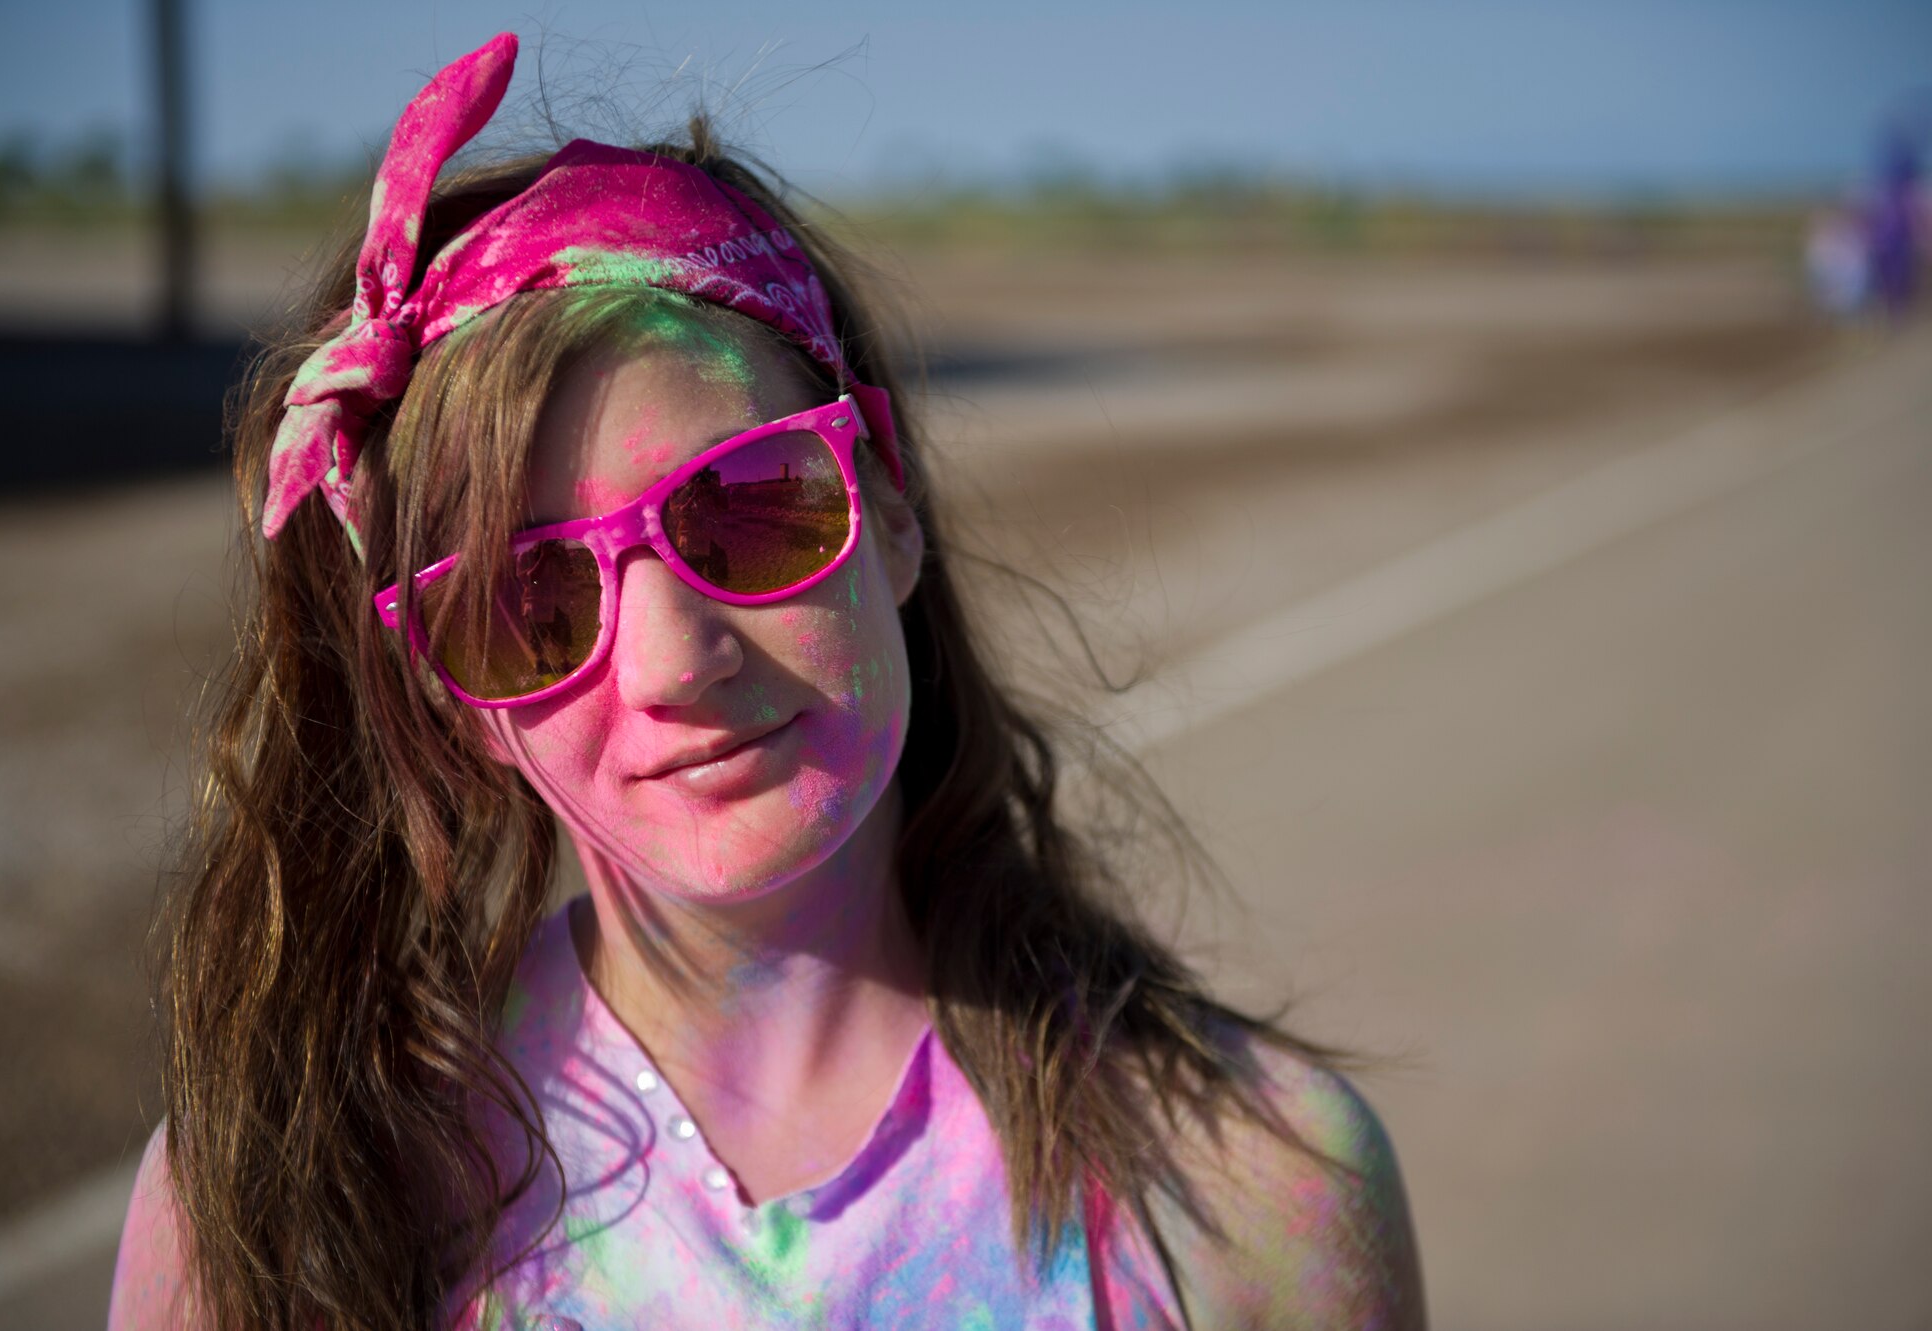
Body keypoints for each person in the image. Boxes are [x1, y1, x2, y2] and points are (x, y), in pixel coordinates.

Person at [108, 33, 1422, 1331]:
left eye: (746, 508)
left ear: (891, 506)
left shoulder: (1257, 1198)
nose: (676, 661)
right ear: (455, 697)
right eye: (528, 604)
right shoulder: (284, 1206)